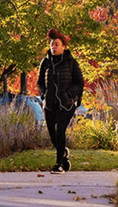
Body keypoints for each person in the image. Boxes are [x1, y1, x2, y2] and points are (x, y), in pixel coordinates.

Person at [37, 28, 84, 174]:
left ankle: (58, 165)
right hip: (50, 104)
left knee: (60, 130)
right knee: (52, 134)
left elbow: (79, 83)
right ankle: (62, 154)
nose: (53, 47)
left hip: (67, 104)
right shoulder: (45, 62)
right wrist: (44, 94)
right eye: (52, 44)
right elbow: (40, 83)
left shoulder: (71, 63)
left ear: (63, 46)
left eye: (57, 44)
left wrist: (68, 94)